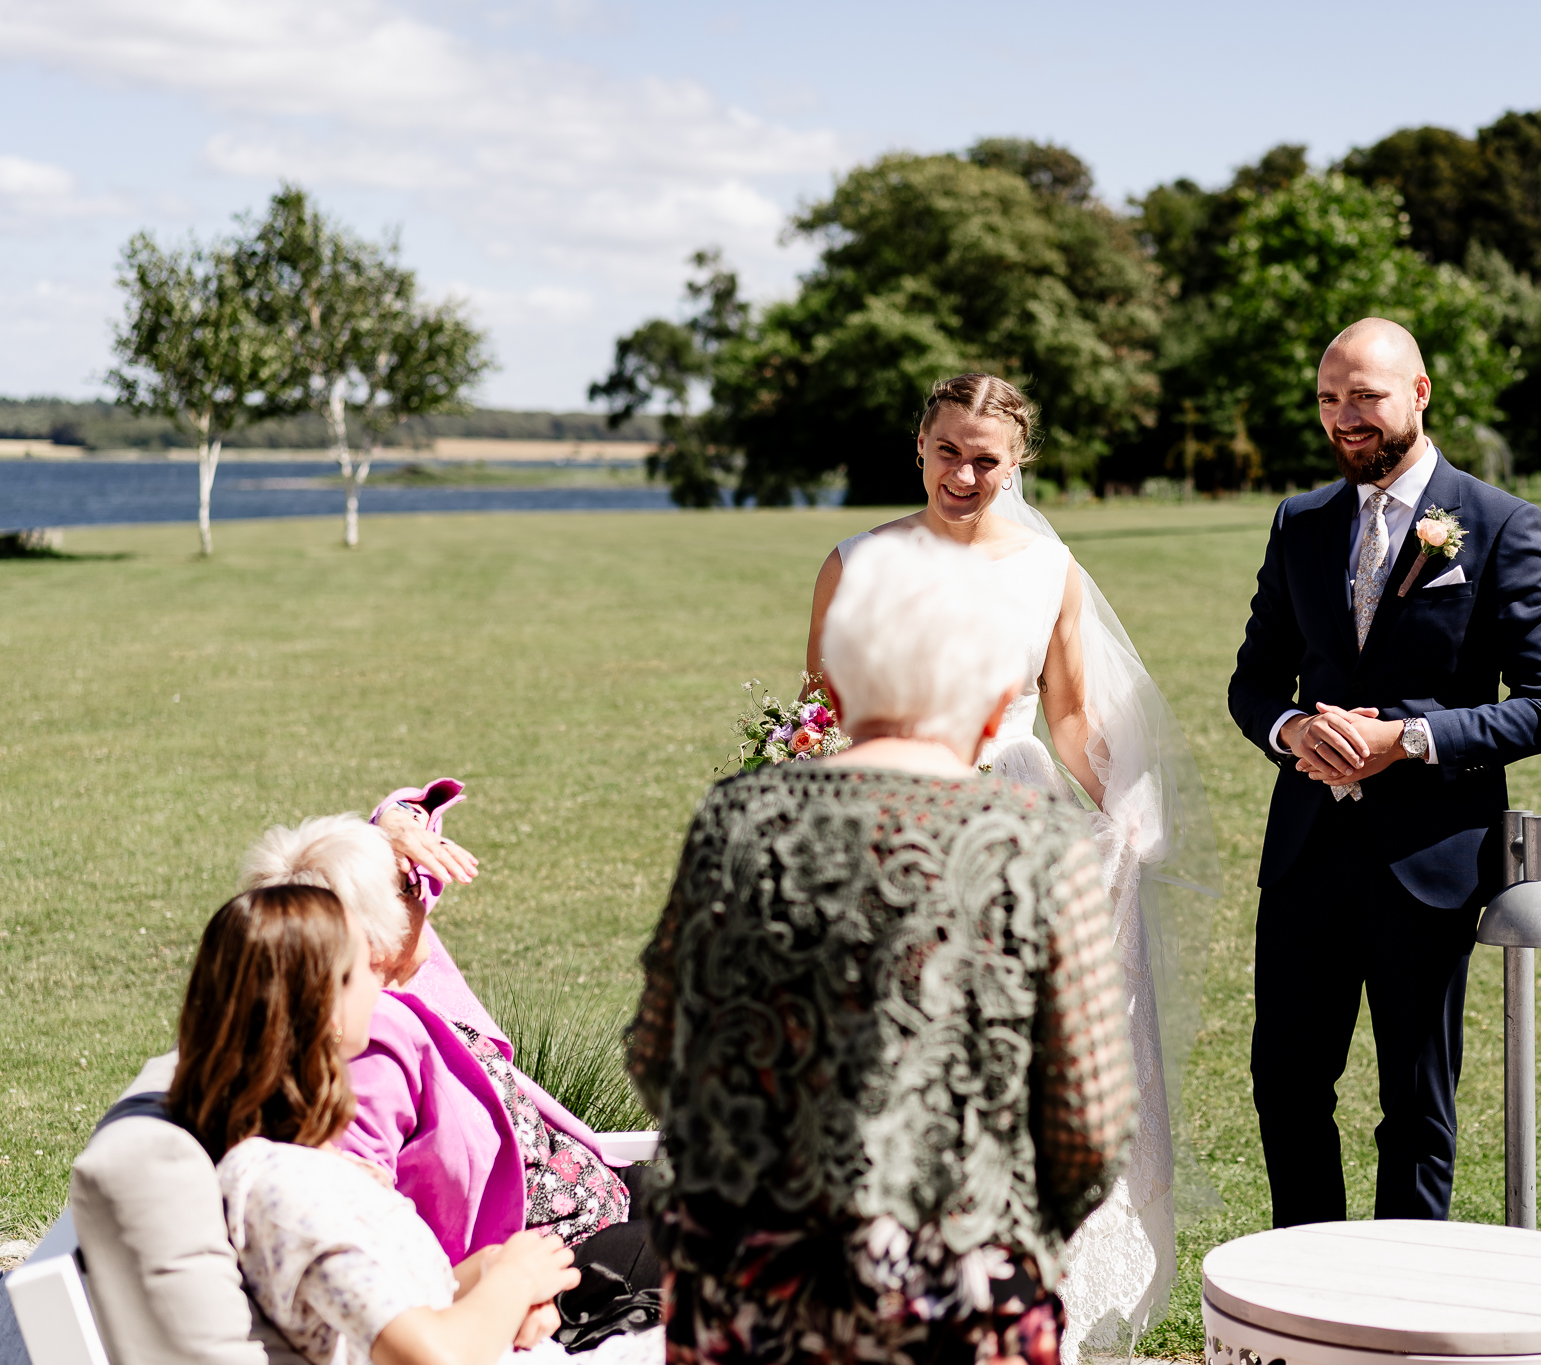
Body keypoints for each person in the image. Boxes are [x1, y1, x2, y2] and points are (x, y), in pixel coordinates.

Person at [633, 530, 1135, 1365]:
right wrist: (1007, 1224)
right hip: (959, 1289)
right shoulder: (1042, 849)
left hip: (744, 1281)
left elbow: (658, 1058)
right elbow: (1091, 1122)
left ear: (842, 672)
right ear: (994, 697)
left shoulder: (736, 820)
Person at [802, 373, 1217, 1356]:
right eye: (947, 450)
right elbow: (822, 717)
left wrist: (1121, 798)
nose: (964, 472)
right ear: (919, 447)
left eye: (985, 457)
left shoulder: (1047, 567)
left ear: (1017, 462)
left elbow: (1068, 714)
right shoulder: (853, 563)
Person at [1227, 318, 1541, 1226]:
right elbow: (1253, 680)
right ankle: (1306, 1304)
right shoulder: (1299, 522)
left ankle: (1399, 1315)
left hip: (1428, 859)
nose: (1345, 417)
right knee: (1286, 1087)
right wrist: (1292, 727)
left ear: (1420, 392)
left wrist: (1408, 739)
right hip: (1304, 854)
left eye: (1366, 397)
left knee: (1415, 1109)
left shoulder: (1499, 524)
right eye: (1329, 399)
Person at [240, 797, 659, 1349]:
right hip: (564, 1261)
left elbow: (393, 860)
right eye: (408, 887)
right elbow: (378, 1221)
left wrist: (393, 823)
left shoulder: (411, 983)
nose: (423, 893)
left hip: (607, 1192)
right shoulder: (368, 1051)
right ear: (365, 938)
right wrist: (506, 1292)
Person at [168, 882, 585, 1365]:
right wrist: (516, 1281)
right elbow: (431, 1358)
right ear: (326, 1007)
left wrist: (492, 1280)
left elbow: (389, 1305)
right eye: (364, 964)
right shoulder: (283, 1187)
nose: (381, 975)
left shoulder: (304, 1162)